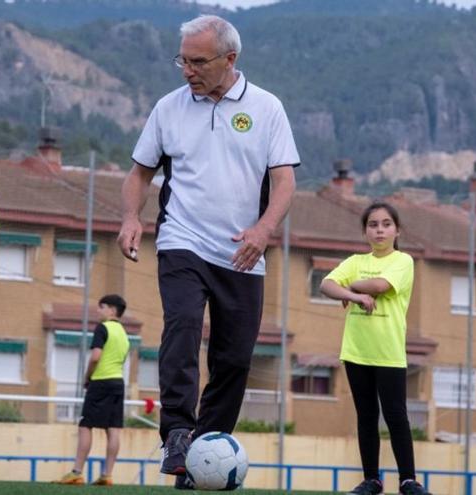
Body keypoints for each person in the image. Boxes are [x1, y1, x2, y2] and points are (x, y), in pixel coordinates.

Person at [117, 14, 299, 488]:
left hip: (243, 253)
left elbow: (285, 180)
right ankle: (177, 430)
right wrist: (132, 217)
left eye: (198, 61)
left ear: (230, 59)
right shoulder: (168, 108)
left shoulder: (267, 108)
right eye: (183, 59)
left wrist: (263, 230)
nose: (187, 70)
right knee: (181, 324)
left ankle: (205, 452)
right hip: (182, 240)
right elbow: (139, 173)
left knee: (234, 358)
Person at [319, 202, 431, 495]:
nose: (379, 230)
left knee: (396, 417)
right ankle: (372, 480)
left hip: (388, 352)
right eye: (372, 224)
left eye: (385, 224)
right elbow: (326, 285)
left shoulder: (403, 261)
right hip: (356, 351)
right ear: (365, 231)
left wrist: (354, 286)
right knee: (366, 417)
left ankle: (408, 480)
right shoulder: (356, 260)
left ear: (397, 230)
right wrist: (352, 295)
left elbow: (381, 286)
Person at [54, 294, 130, 486]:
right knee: (113, 429)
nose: (98, 310)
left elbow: (96, 357)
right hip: (118, 383)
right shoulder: (123, 332)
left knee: (85, 425)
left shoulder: (102, 328)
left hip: (100, 381)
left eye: (102, 307)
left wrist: (87, 376)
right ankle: (107, 475)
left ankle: (77, 472)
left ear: (112, 310)